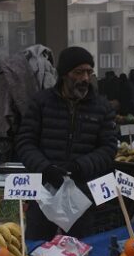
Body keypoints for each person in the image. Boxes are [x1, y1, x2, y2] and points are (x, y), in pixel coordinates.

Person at [16, 46, 118, 240]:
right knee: (36, 250)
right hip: (45, 190)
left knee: (80, 251)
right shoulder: (41, 102)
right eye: (78, 72)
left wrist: (80, 166)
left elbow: (109, 148)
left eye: (89, 72)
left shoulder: (101, 107)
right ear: (64, 74)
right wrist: (46, 168)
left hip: (81, 193)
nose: (85, 78)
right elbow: (24, 142)